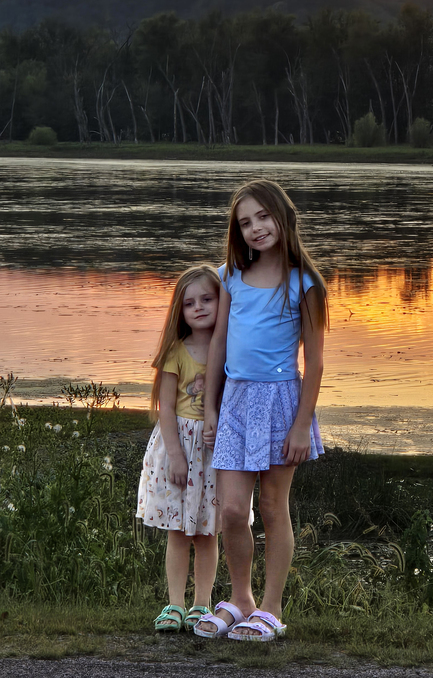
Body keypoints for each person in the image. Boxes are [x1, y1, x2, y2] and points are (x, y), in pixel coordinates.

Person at [194, 179, 328, 643]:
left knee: (272, 506)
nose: (255, 228)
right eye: (245, 222)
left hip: (280, 404)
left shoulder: (304, 284)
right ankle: (240, 600)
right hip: (234, 402)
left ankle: (270, 608)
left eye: (262, 217)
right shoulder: (230, 275)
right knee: (232, 510)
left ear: (283, 217)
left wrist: (300, 427)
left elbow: (315, 364)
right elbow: (217, 346)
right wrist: (210, 407)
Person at [136, 264, 223, 632]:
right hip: (180, 449)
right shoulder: (176, 351)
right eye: (190, 303)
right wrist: (175, 454)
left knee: (207, 531)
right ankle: (174, 604)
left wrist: (217, 427)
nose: (199, 307)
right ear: (180, 310)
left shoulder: (229, 348)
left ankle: (201, 605)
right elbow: (166, 408)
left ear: (222, 301)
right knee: (177, 531)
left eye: (207, 299)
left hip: (215, 450)